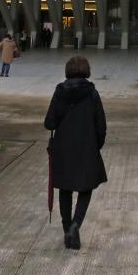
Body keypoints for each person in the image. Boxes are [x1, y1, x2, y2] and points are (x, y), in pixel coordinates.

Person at [45, 56, 107, 250]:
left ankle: (66, 230)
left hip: (63, 148)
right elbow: (101, 125)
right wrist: (96, 145)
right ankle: (75, 225)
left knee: (65, 188)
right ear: (86, 71)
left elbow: (49, 123)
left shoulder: (59, 92)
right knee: (86, 187)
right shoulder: (92, 93)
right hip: (86, 147)